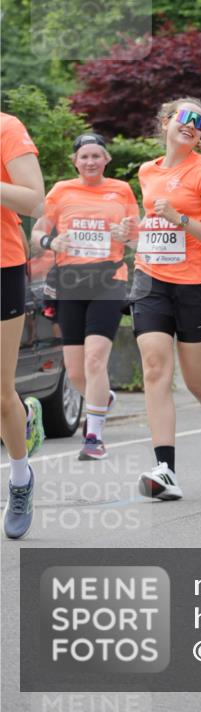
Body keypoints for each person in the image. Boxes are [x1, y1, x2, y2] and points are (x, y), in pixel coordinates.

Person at [131, 97, 201, 500]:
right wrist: (136, 231)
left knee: (195, 379)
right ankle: (166, 469)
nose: (193, 125)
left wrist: (179, 218)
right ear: (165, 123)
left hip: (198, 284)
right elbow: (152, 225)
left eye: (200, 121)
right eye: (185, 117)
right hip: (151, 280)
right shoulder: (148, 172)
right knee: (156, 367)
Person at [32, 132, 139, 461]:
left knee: (95, 359)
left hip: (109, 279)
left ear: (107, 159)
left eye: (97, 156)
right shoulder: (61, 191)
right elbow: (36, 235)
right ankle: (101, 400)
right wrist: (53, 243)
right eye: (84, 157)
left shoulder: (121, 190)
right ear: (74, 162)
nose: (91, 161)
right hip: (70, 283)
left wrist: (127, 234)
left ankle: (93, 436)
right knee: (76, 371)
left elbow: (137, 238)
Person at [1, 112, 45, 539]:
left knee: (0, 394)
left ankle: (19, 479)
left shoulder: (7, 128)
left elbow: (35, 201)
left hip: (2, 267)